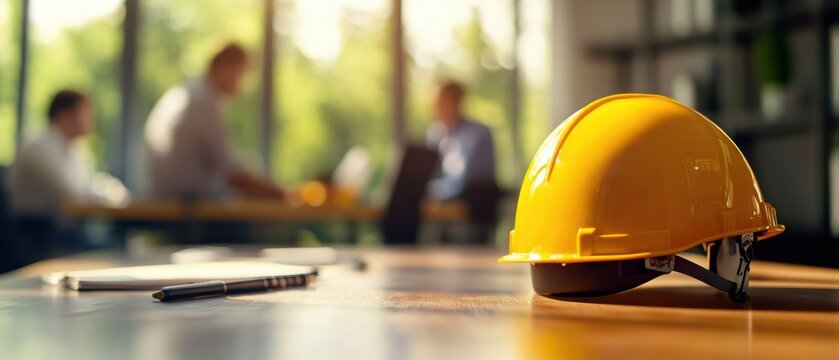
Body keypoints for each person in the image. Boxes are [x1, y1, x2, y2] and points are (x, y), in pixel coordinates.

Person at [144, 43, 283, 199]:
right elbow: (233, 174)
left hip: (166, 197)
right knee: (262, 215)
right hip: (186, 206)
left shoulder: (189, 93)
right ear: (227, 69)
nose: (244, 82)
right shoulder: (203, 104)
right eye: (243, 73)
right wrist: (283, 193)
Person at [10, 90, 128, 218]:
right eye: (85, 114)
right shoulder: (38, 147)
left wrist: (111, 191)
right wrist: (107, 195)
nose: (91, 120)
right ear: (64, 114)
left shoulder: (75, 149)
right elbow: (71, 193)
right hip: (38, 231)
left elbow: (87, 185)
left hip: (64, 230)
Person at [425, 80, 497, 201]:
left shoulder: (477, 134)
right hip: (448, 200)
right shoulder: (436, 134)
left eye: (441, 102)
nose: (437, 107)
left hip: (475, 202)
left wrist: (435, 191)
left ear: (457, 102)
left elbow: (465, 180)